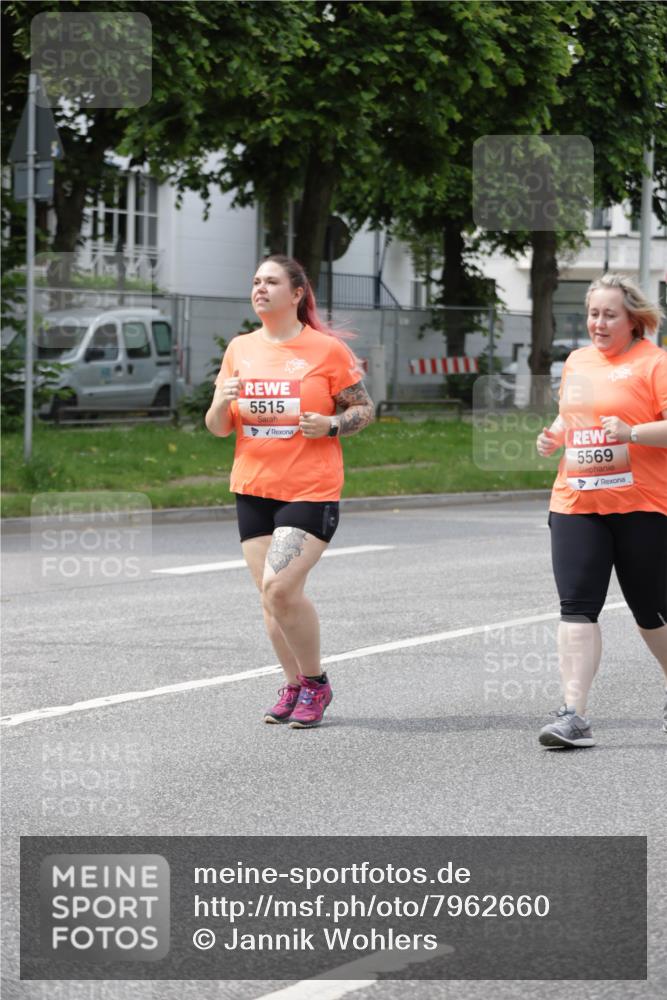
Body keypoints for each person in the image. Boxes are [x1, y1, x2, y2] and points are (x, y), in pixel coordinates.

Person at [205, 255, 374, 728]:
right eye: (255, 280)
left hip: (310, 489)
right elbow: (218, 428)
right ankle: (294, 684)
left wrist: (332, 425)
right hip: (254, 486)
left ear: (297, 293)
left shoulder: (326, 350)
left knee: (281, 587)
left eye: (271, 281)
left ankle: (316, 683)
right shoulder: (240, 348)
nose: (260, 288)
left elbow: (364, 410)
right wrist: (220, 401)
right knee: (269, 596)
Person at [536, 273, 667, 748]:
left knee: (650, 611)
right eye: (593, 313)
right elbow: (571, 416)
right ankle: (574, 714)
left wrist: (631, 433)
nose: (599, 322)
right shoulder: (577, 362)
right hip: (577, 501)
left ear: (633, 319)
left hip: (643, 505)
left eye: (610, 314)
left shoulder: (655, 363)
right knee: (576, 606)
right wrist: (554, 435)